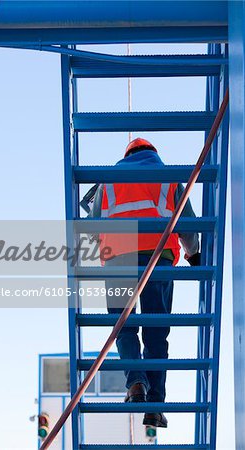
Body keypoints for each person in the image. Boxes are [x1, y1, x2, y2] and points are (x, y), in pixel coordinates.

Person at [89, 137, 200, 428]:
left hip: (117, 256)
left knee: (124, 326)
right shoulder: (168, 179)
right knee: (156, 334)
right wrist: (193, 254)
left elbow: (91, 226)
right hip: (158, 254)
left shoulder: (108, 181)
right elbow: (188, 224)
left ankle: (136, 383)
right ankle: (155, 405)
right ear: (153, 154)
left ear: (126, 155)